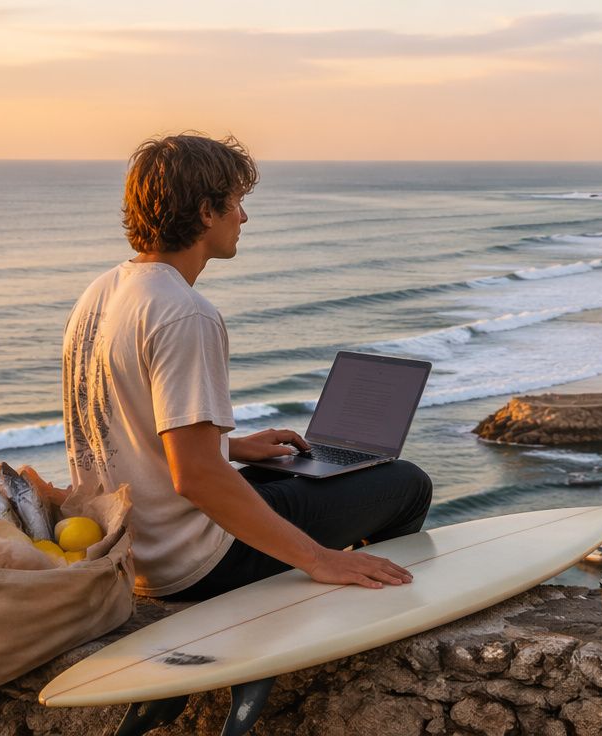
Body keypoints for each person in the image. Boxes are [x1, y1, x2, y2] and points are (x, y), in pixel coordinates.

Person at [62, 133, 433, 601]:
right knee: (406, 484)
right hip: (192, 562)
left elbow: (123, 431)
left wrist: (230, 447)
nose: (243, 217)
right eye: (236, 203)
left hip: (132, 547)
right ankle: (371, 608)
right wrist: (320, 558)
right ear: (206, 212)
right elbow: (196, 477)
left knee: (298, 470)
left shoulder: (99, 294)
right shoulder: (184, 313)